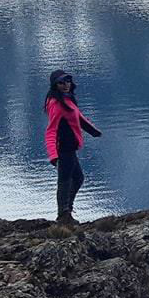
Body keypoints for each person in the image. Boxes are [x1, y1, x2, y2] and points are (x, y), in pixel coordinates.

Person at [44, 69, 102, 224]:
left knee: (77, 178)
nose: (65, 85)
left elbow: (79, 117)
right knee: (65, 181)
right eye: (61, 82)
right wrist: (53, 155)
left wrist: (93, 131)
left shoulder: (67, 99)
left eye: (67, 81)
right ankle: (63, 216)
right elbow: (51, 131)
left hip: (70, 148)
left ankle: (66, 211)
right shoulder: (56, 104)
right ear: (55, 85)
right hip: (63, 149)